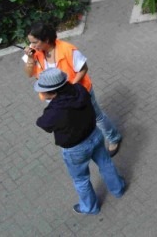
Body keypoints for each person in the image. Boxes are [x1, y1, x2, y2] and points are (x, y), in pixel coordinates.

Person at [34, 68, 126, 215]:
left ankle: (90, 207)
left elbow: (43, 123)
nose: (41, 93)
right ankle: (118, 188)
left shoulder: (55, 110)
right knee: (106, 163)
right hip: (94, 135)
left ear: (53, 92)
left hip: (75, 149)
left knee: (81, 179)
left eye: (42, 91)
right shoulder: (79, 89)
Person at [23, 22, 122, 157]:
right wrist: (30, 58)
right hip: (55, 98)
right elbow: (29, 74)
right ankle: (89, 142)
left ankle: (114, 138)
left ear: (46, 40)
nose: (32, 46)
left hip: (78, 92)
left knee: (97, 116)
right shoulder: (34, 53)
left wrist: (70, 88)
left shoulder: (67, 49)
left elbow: (83, 69)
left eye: (34, 42)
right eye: (30, 42)